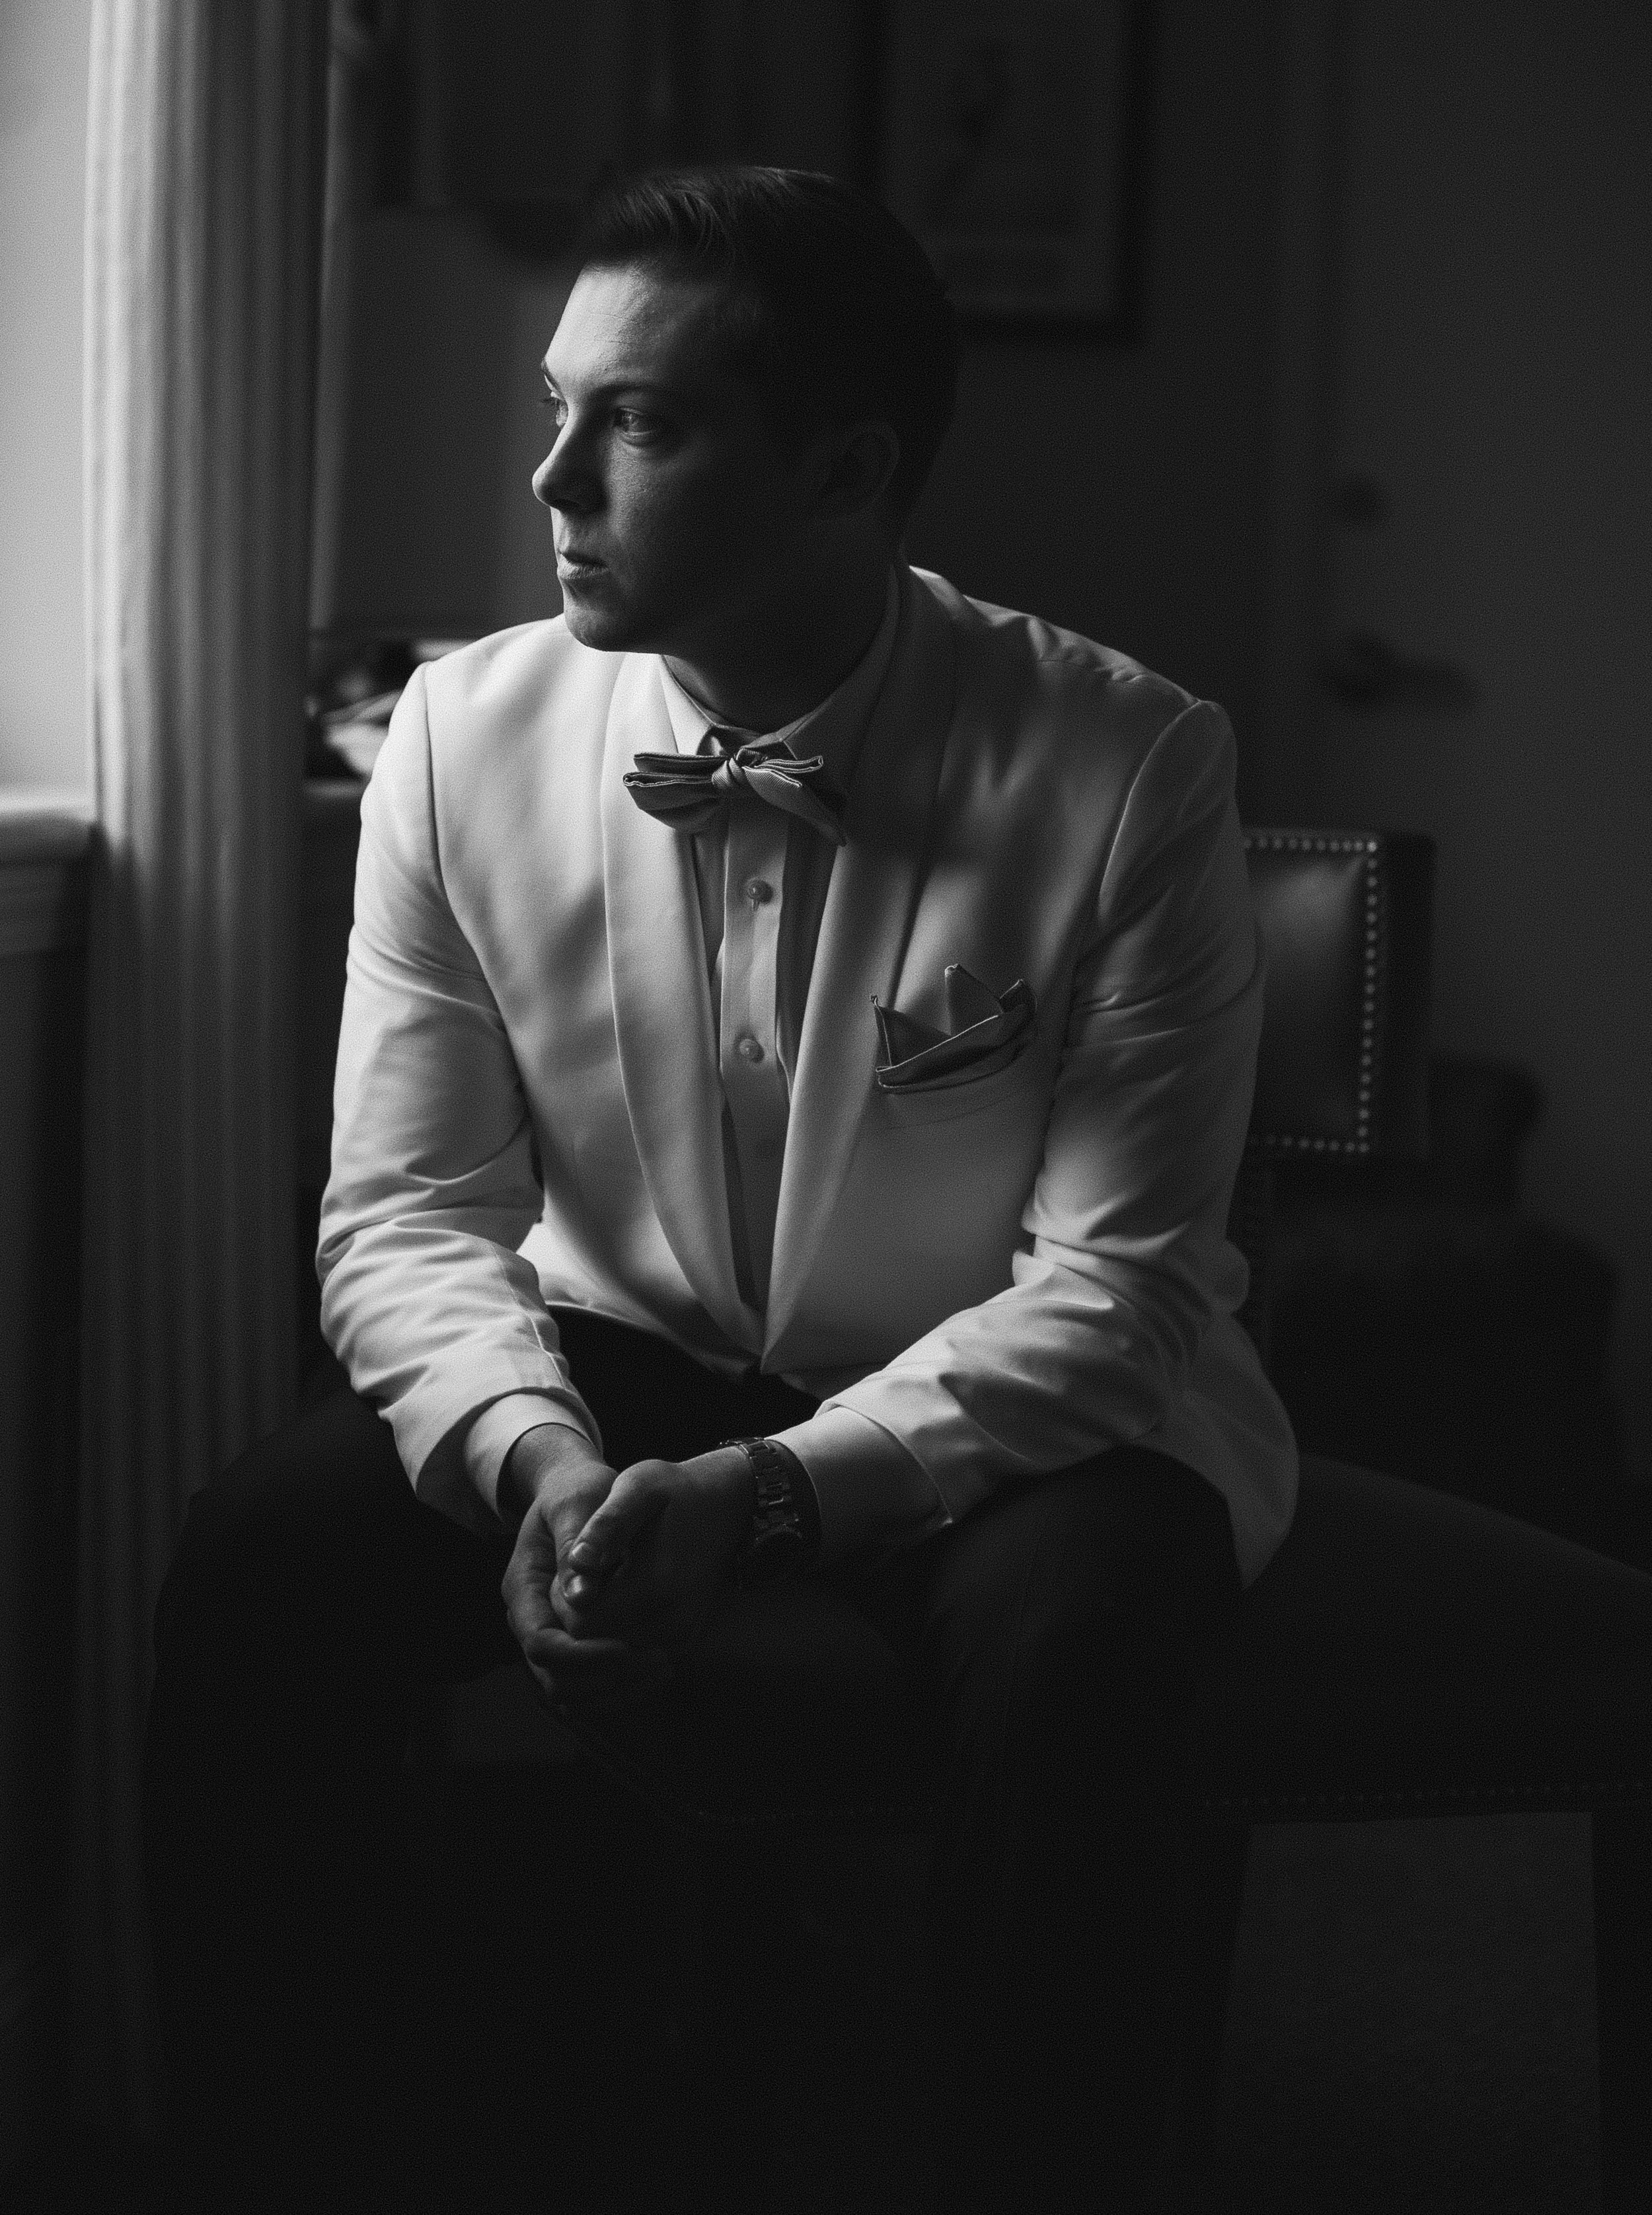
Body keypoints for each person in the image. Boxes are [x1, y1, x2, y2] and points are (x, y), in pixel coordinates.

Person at [145, 166, 1296, 2212]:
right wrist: (533, 1460)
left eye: (640, 423)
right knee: (258, 1558)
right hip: (619, 1360)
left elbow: (1118, 1288)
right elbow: (403, 1213)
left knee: (1094, 1645)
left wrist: (775, 1494)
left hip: (1018, 1408)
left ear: (846, 470)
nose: (551, 477)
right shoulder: (459, 736)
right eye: (559, 406)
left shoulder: (1127, 763)